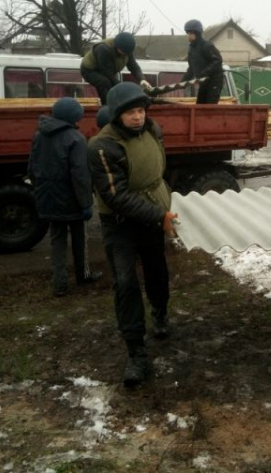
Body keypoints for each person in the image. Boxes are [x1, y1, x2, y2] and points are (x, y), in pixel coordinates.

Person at [87, 82, 179, 388]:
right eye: (130, 112)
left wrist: (165, 200)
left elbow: (158, 172)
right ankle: (136, 352)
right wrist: (159, 214)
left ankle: (161, 313)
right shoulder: (102, 147)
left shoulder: (153, 130)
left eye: (141, 111)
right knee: (125, 284)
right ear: (117, 115)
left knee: (157, 270)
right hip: (121, 223)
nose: (137, 117)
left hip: (152, 216)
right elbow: (116, 196)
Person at [28, 97, 102, 298]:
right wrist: (86, 203)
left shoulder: (39, 135)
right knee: (80, 239)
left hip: (48, 198)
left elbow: (32, 167)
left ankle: (59, 284)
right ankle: (83, 275)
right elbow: (81, 176)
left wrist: (40, 191)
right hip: (72, 200)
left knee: (57, 241)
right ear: (73, 116)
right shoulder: (75, 138)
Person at [80, 32, 153, 101]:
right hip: (89, 70)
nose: (125, 55)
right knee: (104, 82)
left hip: (107, 69)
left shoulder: (127, 50)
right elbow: (108, 74)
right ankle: (107, 106)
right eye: (123, 53)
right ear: (117, 47)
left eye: (127, 53)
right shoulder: (103, 49)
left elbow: (133, 66)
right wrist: (122, 88)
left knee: (112, 84)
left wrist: (142, 79)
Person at [181, 19, 224, 104]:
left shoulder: (206, 45)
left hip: (214, 81)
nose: (189, 36)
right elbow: (191, 68)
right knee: (200, 105)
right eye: (188, 33)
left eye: (191, 33)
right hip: (204, 81)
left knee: (209, 107)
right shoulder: (191, 49)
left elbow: (217, 60)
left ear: (197, 33)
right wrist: (184, 80)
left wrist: (204, 73)